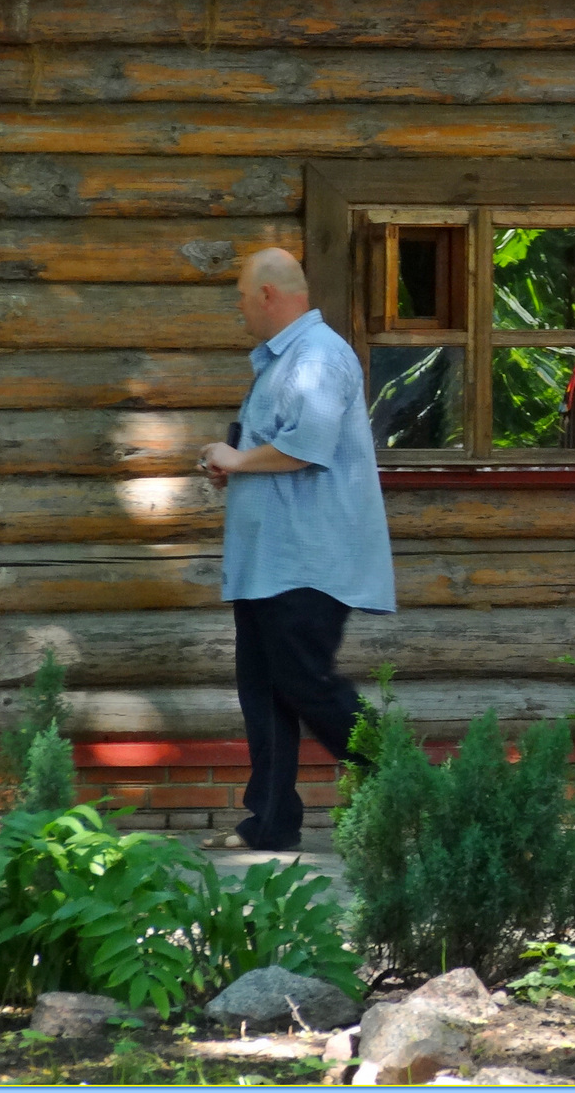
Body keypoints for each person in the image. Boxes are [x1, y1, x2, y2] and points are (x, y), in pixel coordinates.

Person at [197, 248, 396, 851]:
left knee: (306, 683)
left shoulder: (318, 356)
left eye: (241, 297)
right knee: (265, 690)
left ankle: (411, 784)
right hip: (269, 559)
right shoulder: (282, 362)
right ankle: (271, 822)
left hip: (307, 559)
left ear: (268, 295)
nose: (238, 310)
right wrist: (238, 464)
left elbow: (309, 447)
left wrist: (238, 458)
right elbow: (275, 450)